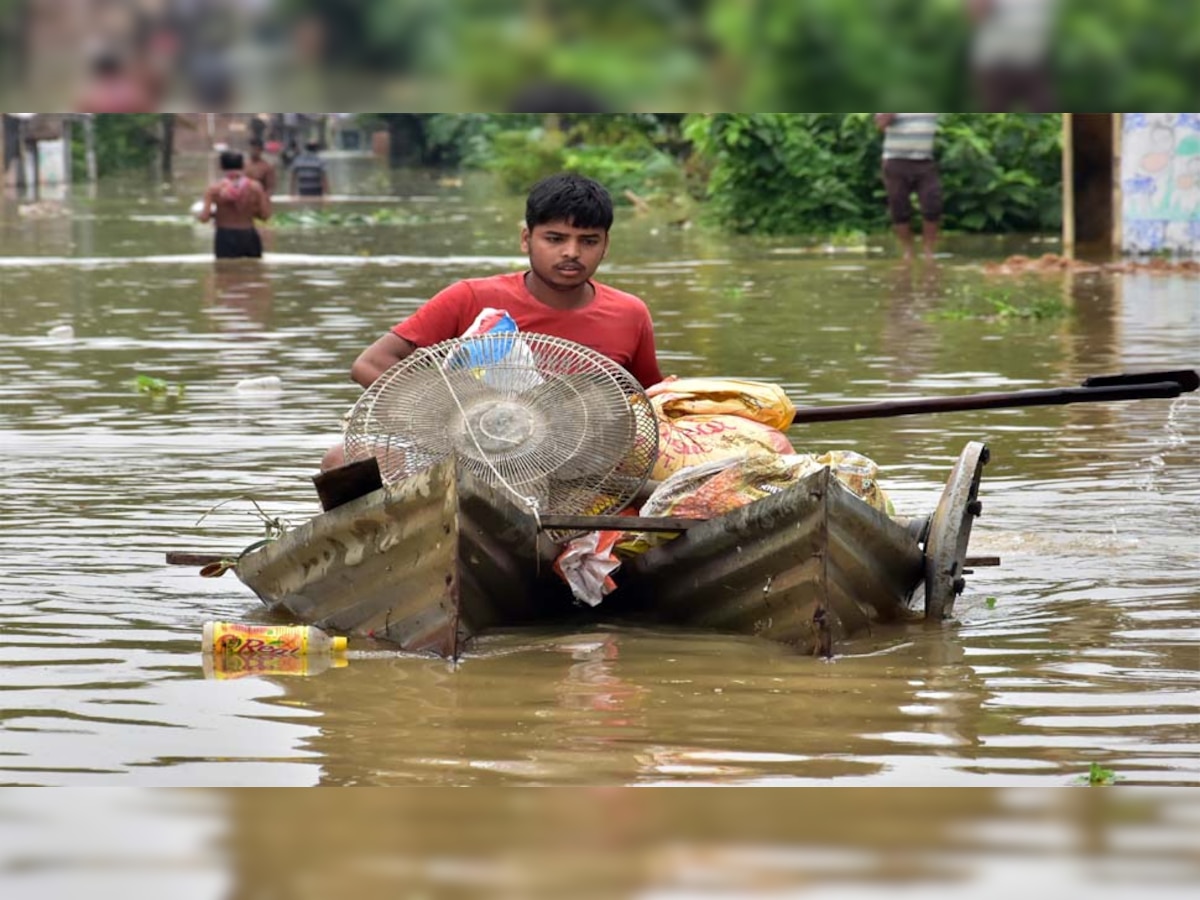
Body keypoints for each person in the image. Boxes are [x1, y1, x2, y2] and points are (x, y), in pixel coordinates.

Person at [321, 172, 664, 471]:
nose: (572, 253)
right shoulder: (469, 298)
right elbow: (369, 364)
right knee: (341, 461)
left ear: (605, 245)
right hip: (461, 450)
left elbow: (650, 401)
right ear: (526, 239)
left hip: (575, 467)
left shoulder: (629, 313)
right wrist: (453, 417)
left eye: (588, 241)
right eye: (555, 239)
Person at [875, 113, 942, 262]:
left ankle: (928, 251)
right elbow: (880, 125)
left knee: (933, 202)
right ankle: (907, 251)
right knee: (899, 206)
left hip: (924, 161)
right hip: (895, 160)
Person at [196, 150, 272, 259]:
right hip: (249, 236)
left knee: (225, 273)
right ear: (242, 165)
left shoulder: (214, 189)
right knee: (253, 273)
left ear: (221, 166)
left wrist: (216, 214)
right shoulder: (255, 187)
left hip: (225, 237)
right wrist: (248, 212)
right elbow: (265, 216)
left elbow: (204, 218)